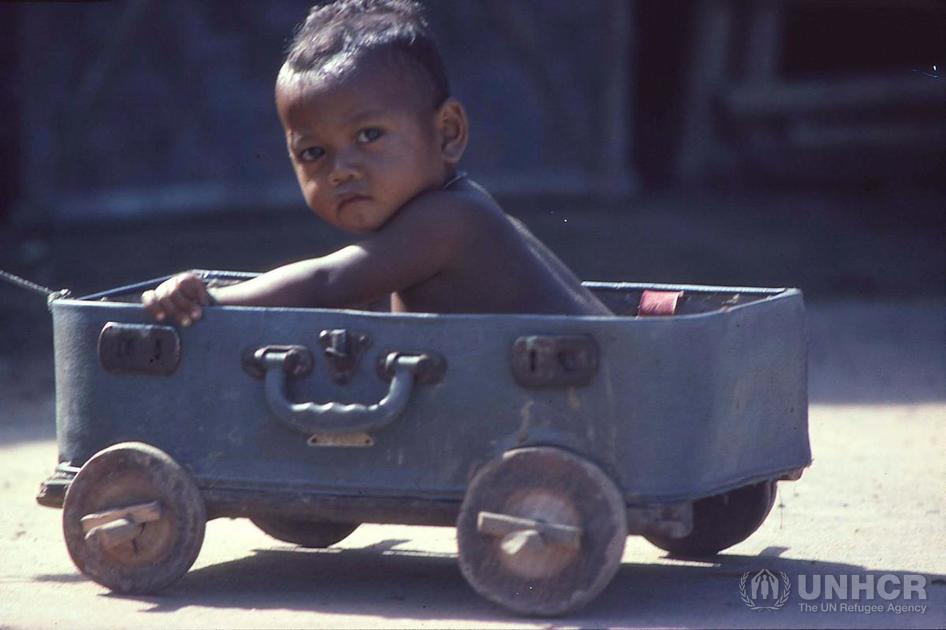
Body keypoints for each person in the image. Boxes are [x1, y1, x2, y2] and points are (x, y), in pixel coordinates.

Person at [142, 0, 611, 326]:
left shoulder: (449, 220)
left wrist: (212, 301)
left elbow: (326, 283)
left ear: (447, 132)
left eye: (369, 136)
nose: (340, 169)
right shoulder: (454, 213)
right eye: (313, 153)